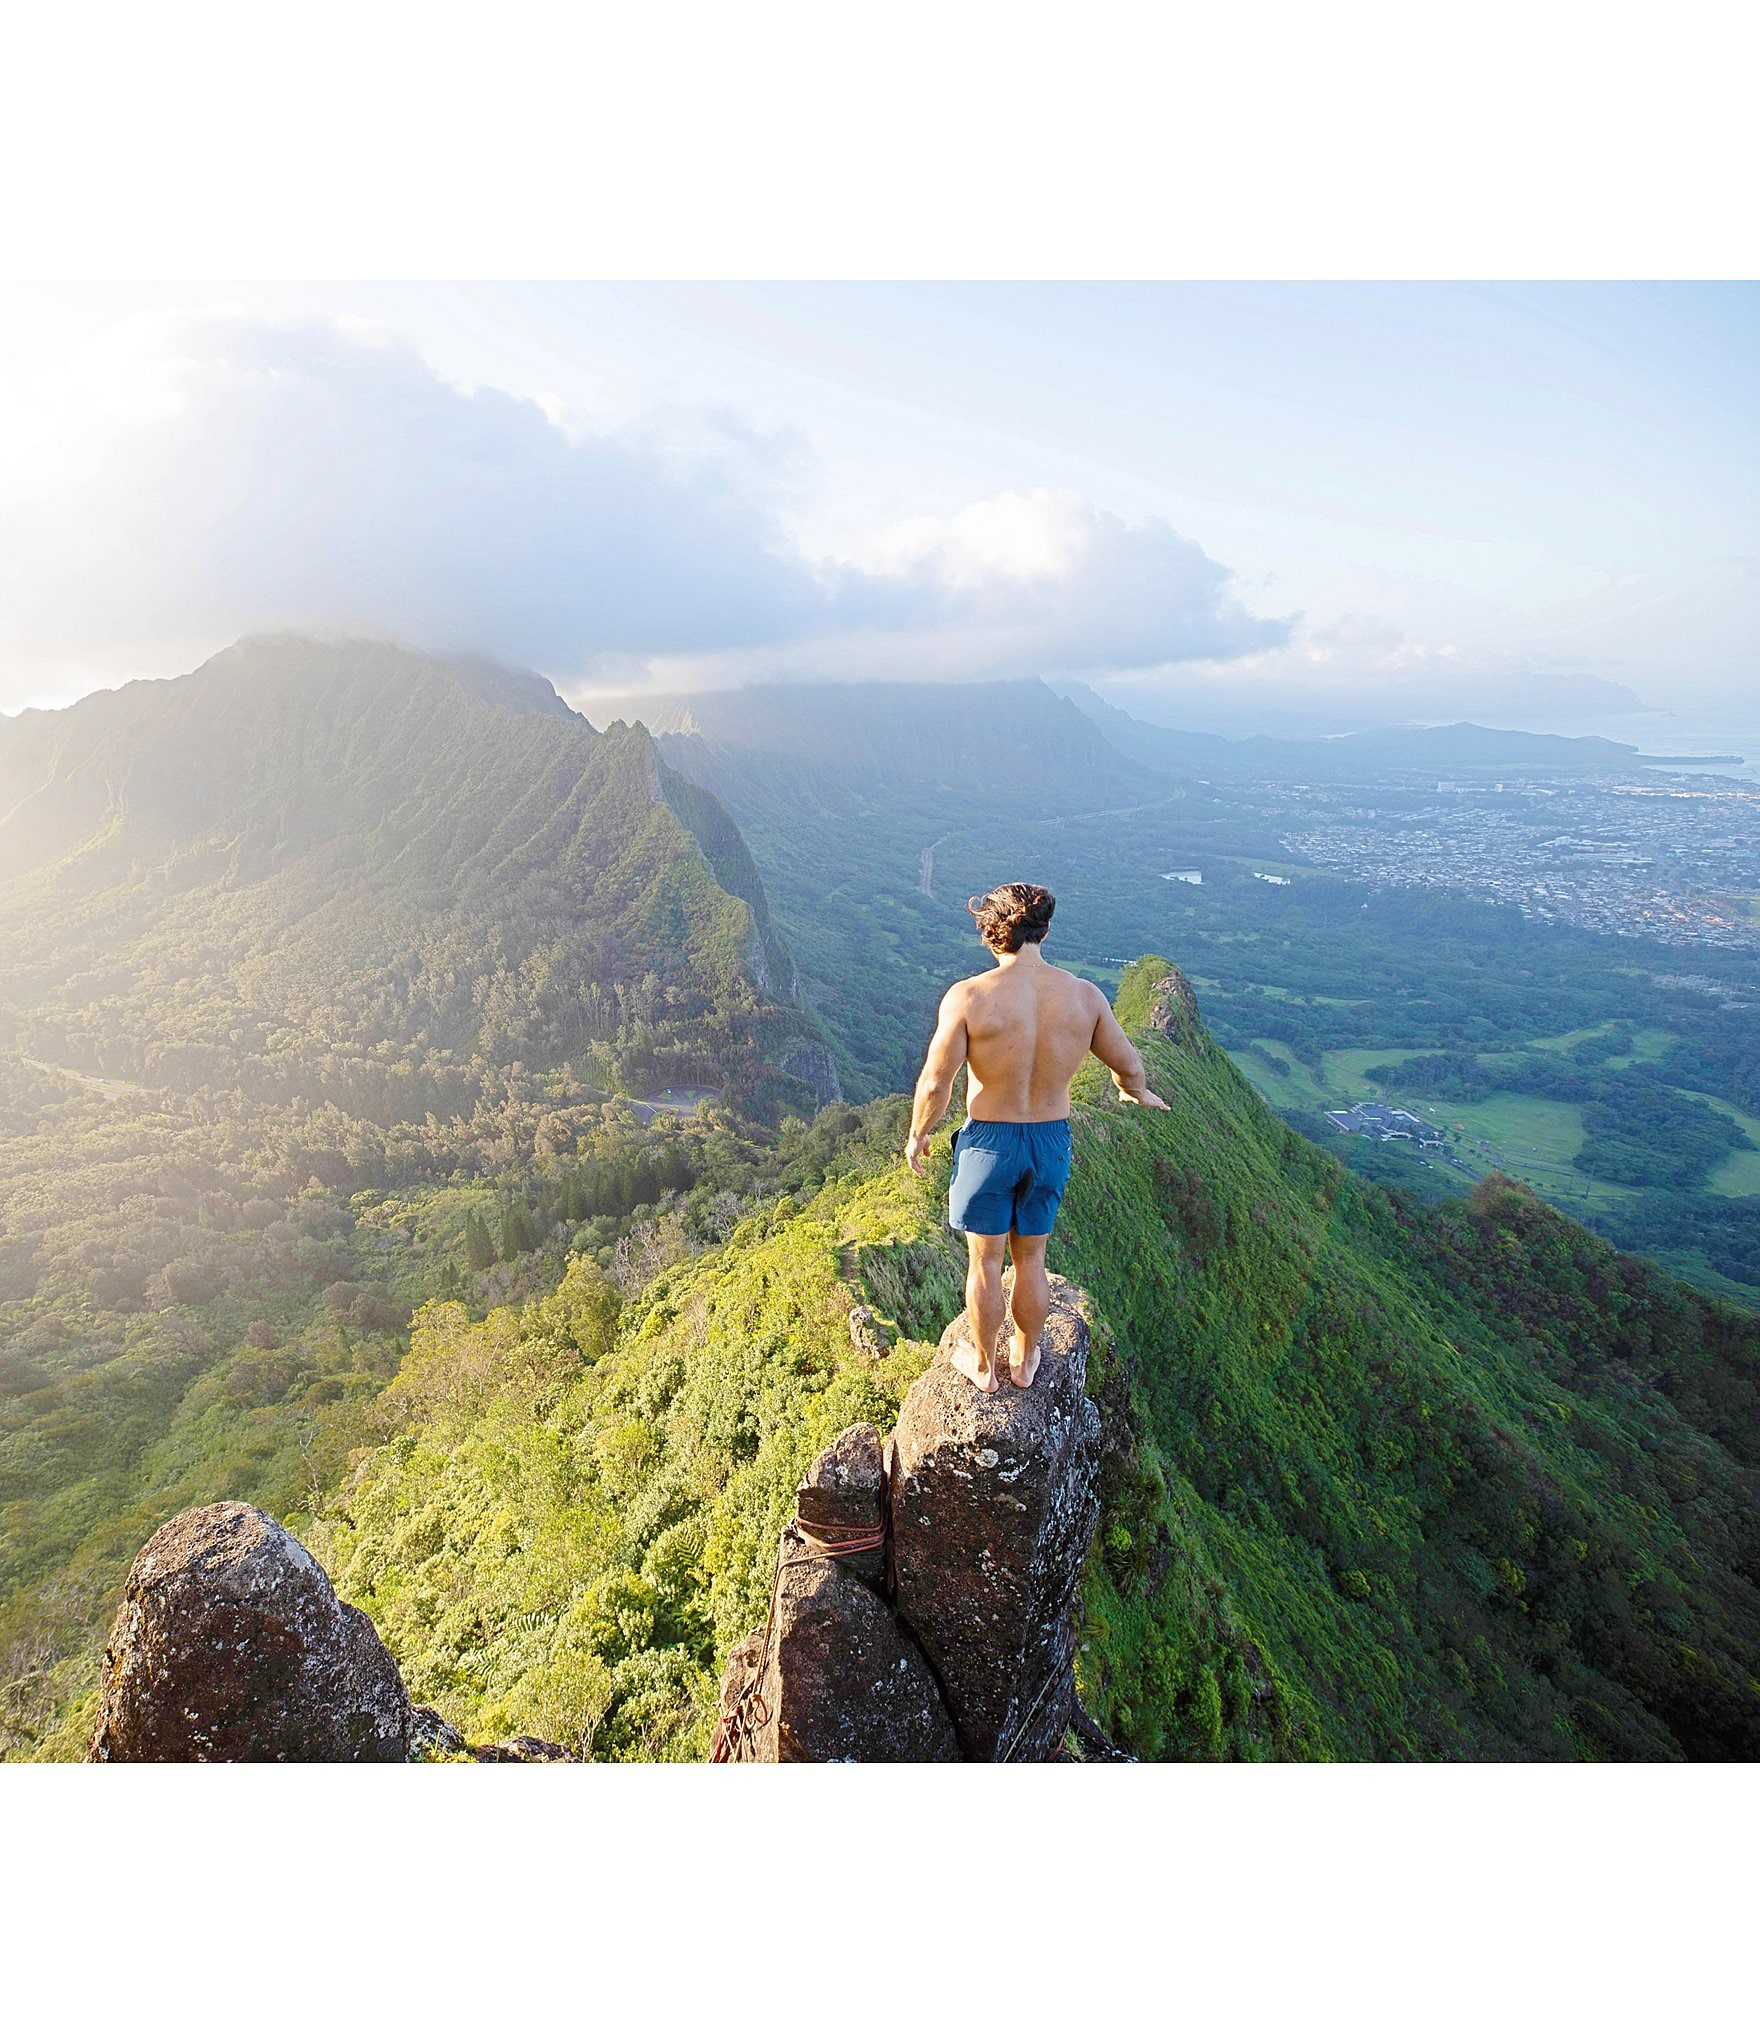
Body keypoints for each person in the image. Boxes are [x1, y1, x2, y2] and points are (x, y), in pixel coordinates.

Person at [904, 881, 1168, 1392]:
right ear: (1045, 930)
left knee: (985, 1259)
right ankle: (1025, 1362)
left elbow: (937, 1080)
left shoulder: (969, 997)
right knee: (1032, 1258)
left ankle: (983, 1367)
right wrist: (1133, 1092)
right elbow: (1128, 1065)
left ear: (991, 932)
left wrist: (919, 1135)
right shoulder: (1084, 996)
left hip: (989, 1143)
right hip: (1050, 1141)